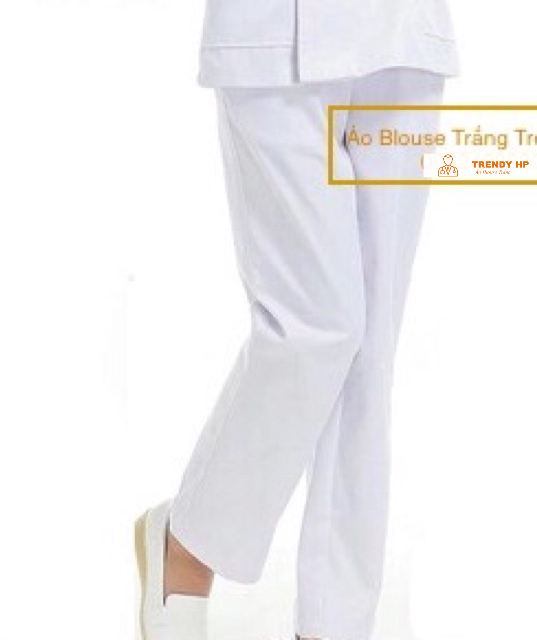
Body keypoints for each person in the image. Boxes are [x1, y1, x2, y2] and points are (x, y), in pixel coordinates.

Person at [134, 0, 460, 638]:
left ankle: (336, 624)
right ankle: (189, 540)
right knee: (317, 327)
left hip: (406, 37)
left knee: (370, 353)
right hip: (271, 36)